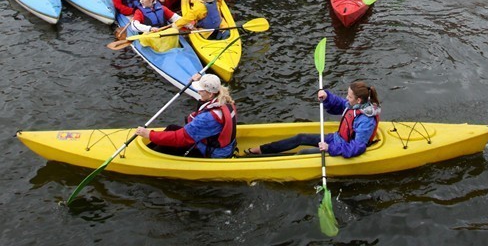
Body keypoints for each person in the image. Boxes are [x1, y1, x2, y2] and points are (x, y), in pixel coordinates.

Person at [245, 81, 380, 158]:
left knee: (303, 153)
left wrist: (329, 147)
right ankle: (263, 150)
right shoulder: (354, 105)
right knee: (301, 137)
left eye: (349, 96)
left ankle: (271, 162)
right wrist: (326, 96)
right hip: (336, 140)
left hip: (339, 149)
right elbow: (339, 104)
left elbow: (357, 148)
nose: (346, 98)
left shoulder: (366, 121)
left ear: (358, 100)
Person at [135, 73, 236, 158]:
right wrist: (200, 80)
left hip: (212, 153)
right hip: (219, 144)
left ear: (210, 94)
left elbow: (180, 138)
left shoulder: (208, 118)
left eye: (200, 90)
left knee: (167, 146)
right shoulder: (225, 99)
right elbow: (203, 109)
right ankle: (148, 150)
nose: (198, 92)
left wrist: (150, 135)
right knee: (172, 128)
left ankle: (149, 158)